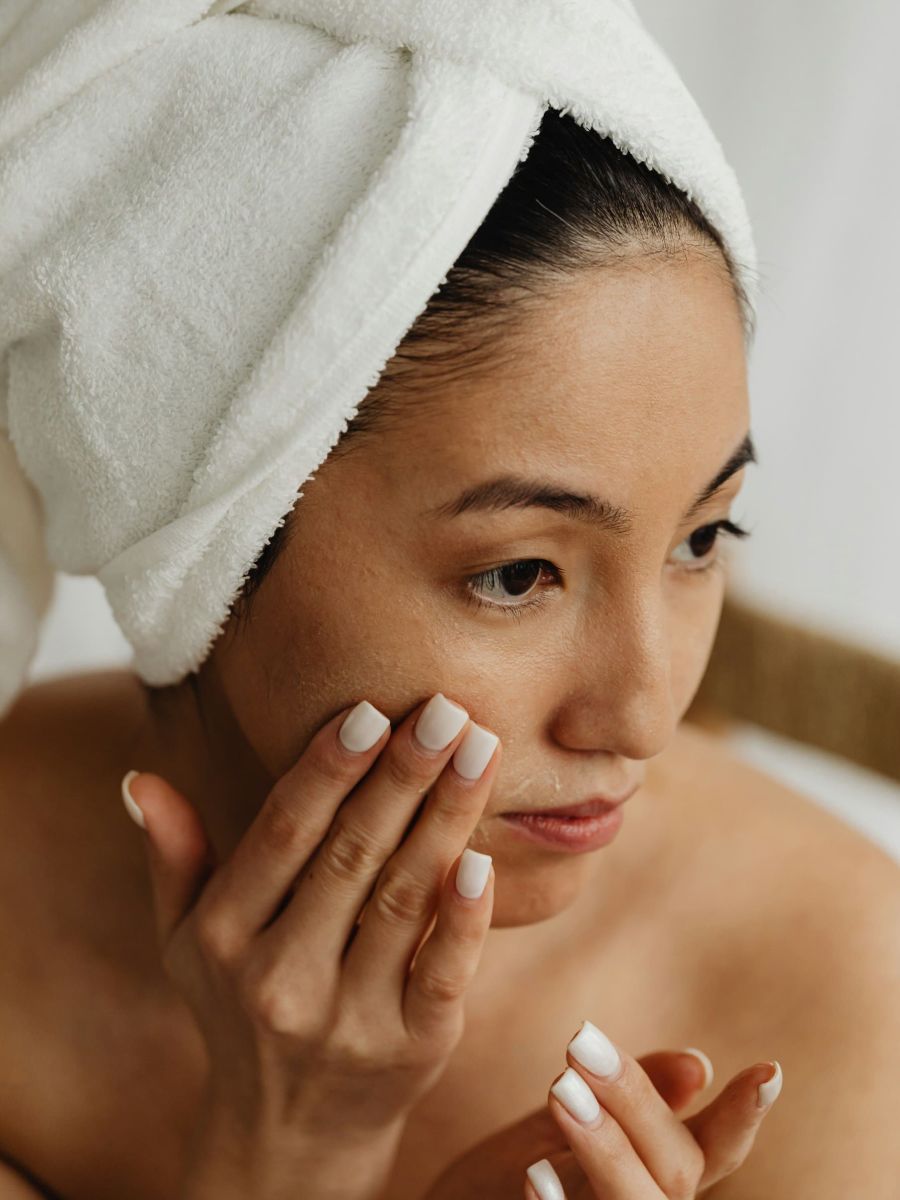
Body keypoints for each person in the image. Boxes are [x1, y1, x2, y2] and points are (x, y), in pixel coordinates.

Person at [0, 90, 898, 1200]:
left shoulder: (848, 990)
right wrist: (294, 1157)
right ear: (199, 536)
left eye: (703, 537)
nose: (644, 716)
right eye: (519, 573)